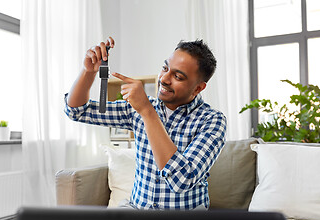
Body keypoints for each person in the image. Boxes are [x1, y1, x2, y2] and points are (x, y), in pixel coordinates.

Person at [64, 37, 227, 210]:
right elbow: (77, 111)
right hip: (138, 216)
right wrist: (88, 72)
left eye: (177, 76)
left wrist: (147, 112)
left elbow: (182, 180)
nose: (164, 79)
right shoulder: (137, 108)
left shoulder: (212, 121)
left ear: (198, 88)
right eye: (165, 68)